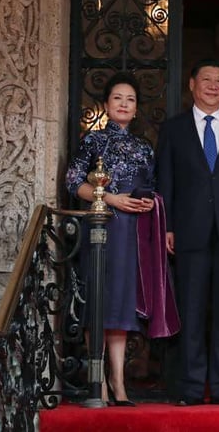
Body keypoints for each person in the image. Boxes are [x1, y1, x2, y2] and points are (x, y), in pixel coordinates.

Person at [156, 59, 219, 407]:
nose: (213, 86)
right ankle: (190, 387)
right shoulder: (173, 129)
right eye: (206, 80)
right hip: (188, 230)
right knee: (191, 310)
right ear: (191, 84)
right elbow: (165, 181)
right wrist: (166, 225)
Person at [65, 71, 162, 407]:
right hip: (102, 228)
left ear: (136, 110)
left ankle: (118, 383)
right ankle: (98, 383)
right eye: (118, 98)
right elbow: (73, 182)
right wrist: (110, 199)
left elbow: (152, 185)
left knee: (121, 306)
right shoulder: (93, 141)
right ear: (106, 105)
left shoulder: (144, 147)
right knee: (99, 302)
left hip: (133, 232)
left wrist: (149, 202)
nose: (124, 104)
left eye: (130, 99)